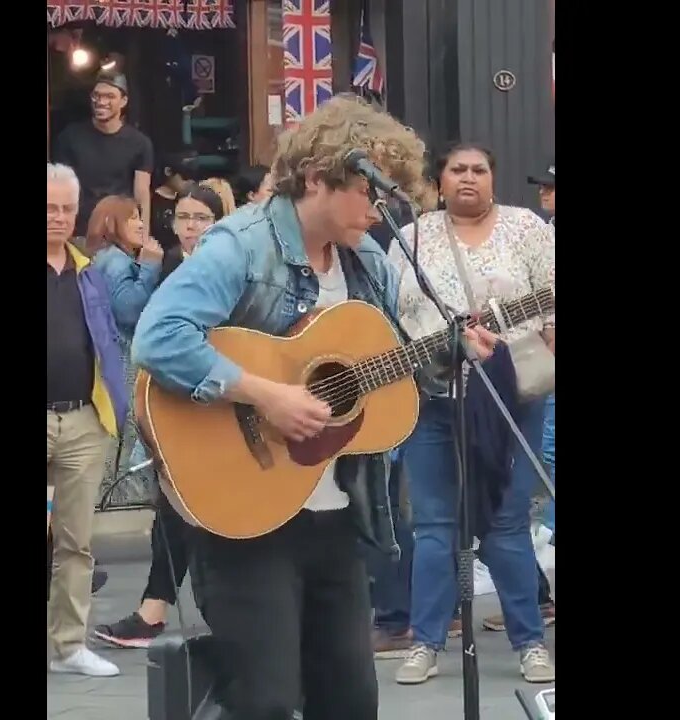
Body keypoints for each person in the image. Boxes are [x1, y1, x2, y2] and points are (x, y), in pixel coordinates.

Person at [130, 94, 499, 719]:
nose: (377, 213)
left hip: (336, 515)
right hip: (243, 513)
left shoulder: (370, 264)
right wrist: (268, 394)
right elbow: (158, 337)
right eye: (367, 194)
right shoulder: (241, 247)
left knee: (351, 700)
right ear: (319, 176)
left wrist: (446, 353)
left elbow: (386, 373)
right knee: (265, 700)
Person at [388, 142, 557, 685]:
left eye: (478, 170)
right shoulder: (412, 237)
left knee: (507, 524)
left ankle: (529, 643)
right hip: (432, 396)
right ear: (439, 180)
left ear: (493, 178)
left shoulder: (527, 228)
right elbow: (392, 313)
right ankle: (426, 643)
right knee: (436, 526)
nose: (468, 178)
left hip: (511, 396)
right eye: (457, 169)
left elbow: (552, 302)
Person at [92, 182, 228, 650]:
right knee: (173, 505)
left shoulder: (234, 263)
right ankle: (155, 609)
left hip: (227, 399)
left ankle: (179, 608)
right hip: (177, 400)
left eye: (201, 219)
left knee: (202, 509)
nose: (190, 228)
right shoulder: (170, 262)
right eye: (183, 218)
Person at [45, 163, 131, 677]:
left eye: (65, 209)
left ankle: (68, 645)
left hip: (81, 419)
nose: (57, 217)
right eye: (49, 208)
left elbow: (108, 341)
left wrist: (114, 411)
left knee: (77, 541)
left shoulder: (88, 270)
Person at [52, 73, 155, 237]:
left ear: (123, 101)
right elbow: (60, 187)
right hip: (79, 232)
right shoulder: (70, 137)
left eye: (110, 96)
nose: (101, 102)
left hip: (121, 234)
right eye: (97, 95)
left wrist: (144, 236)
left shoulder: (140, 143)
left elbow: (141, 194)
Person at [86, 195, 165, 342]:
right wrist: (150, 266)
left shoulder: (102, 256)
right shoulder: (115, 260)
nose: (141, 225)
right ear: (110, 222)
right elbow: (128, 312)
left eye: (140, 218)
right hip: (122, 352)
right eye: (133, 218)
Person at [152, 148, 200, 254]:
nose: (189, 181)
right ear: (168, 171)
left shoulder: (191, 201)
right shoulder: (151, 203)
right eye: (184, 176)